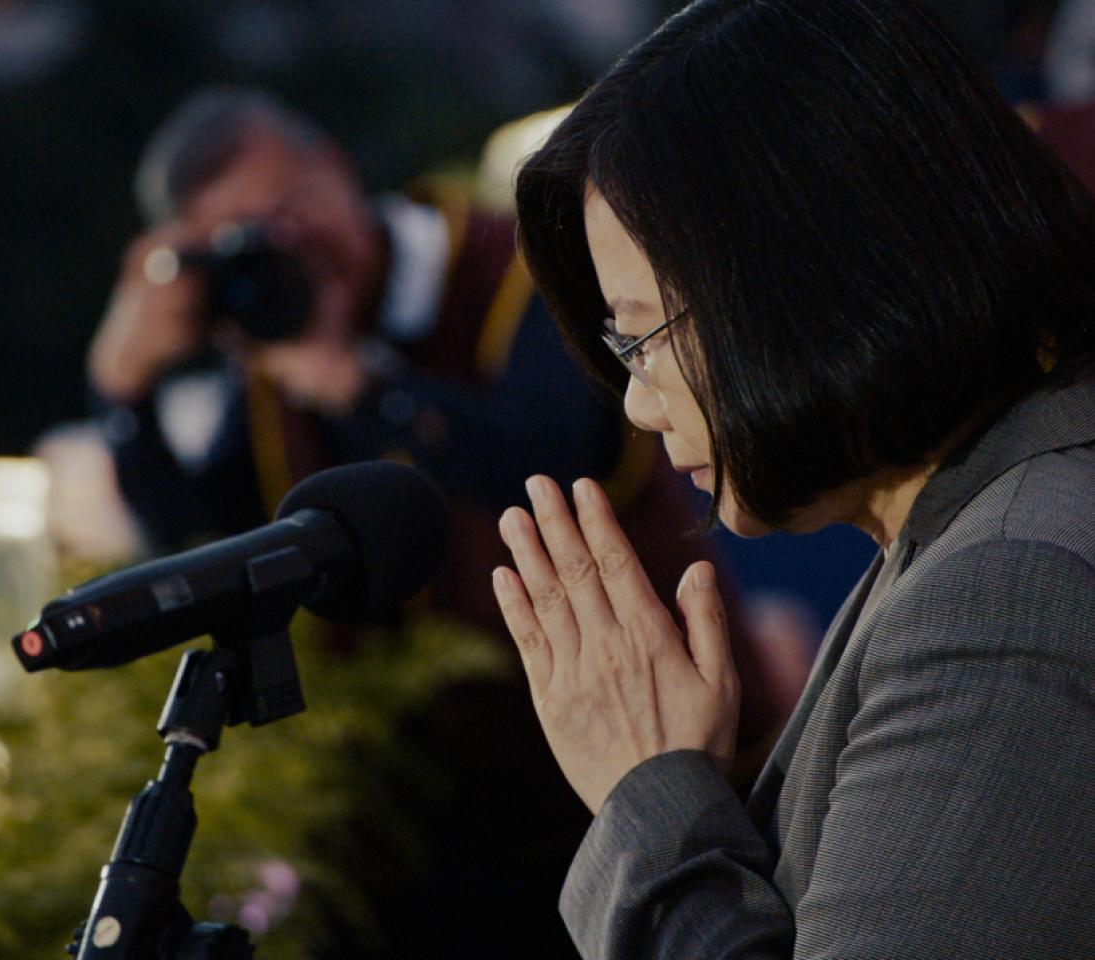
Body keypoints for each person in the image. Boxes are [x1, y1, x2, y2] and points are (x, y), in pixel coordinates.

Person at [85, 87, 801, 957]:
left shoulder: (517, 264)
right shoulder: (274, 354)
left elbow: (554, 459)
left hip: (670, 764)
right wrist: (123, 396)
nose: (287, 245)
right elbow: (202, 547)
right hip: (447, 832)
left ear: (339, 169)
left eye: (290, 206)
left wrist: (353, 380)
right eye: (244, 236)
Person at [493, 0, 1095, 957]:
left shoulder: (1005, 591)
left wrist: (645, 792)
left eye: (644, 337)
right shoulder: (967, 521)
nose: (641, 407)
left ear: (814, 279)